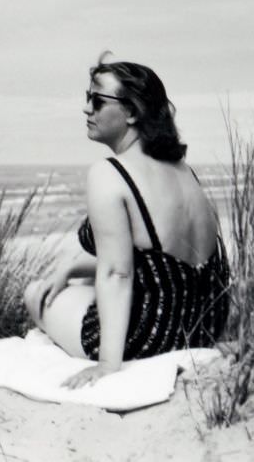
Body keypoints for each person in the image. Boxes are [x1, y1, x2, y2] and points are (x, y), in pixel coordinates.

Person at [24, 53, 229, 389]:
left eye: (98, 100)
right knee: (74, 285)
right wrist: (72, 268)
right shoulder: (184, 171)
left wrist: (107, 365)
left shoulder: (110, 173)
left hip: (148, 335)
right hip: (202, 327)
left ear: (132, 111)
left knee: (36, 293)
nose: (87, 109)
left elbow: (118, 272)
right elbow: (157, 262)